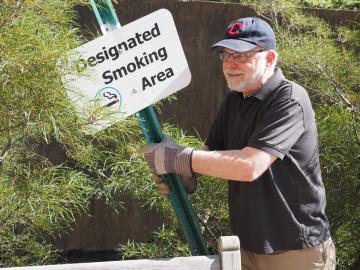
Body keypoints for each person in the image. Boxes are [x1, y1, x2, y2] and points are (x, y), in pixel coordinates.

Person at [140, 17, 336, 270]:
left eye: (242, 55)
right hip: (245, 247)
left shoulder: (290, 99)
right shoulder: (235, 101)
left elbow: (249, 166)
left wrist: (177, 158)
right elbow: (208, 155)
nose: (230, 63)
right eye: (226, 54)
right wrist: (183, 177)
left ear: (269, 59)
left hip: (295, 250)